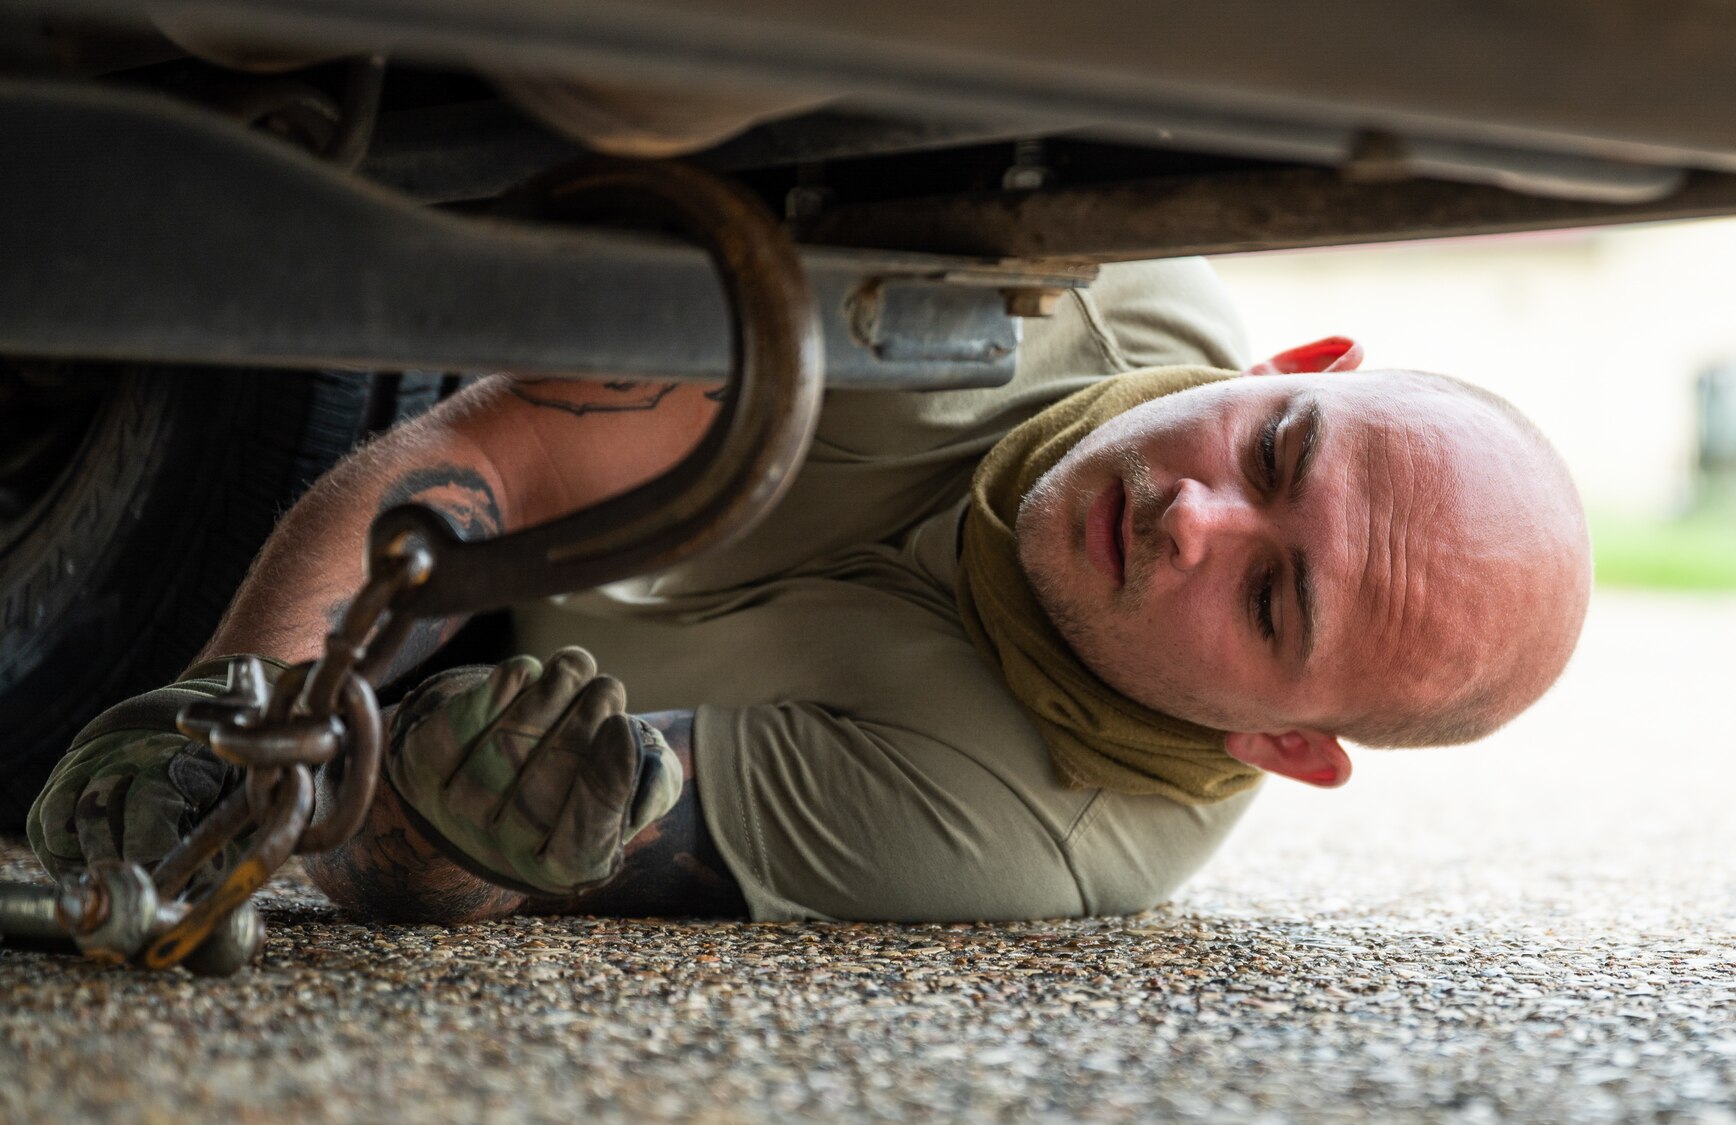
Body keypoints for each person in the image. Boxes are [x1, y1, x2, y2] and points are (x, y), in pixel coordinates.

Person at [24, 259, 1591, 925]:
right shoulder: (1053, 276)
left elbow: (455, 843)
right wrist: (228, 712)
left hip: (489, 637)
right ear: (1293, 364)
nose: (1190, 513)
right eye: (1276, 446)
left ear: (1285, 749)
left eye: (1273, 603)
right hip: (505, 397)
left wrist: (449, 838)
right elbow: (505, 452)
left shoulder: (1022, 827)